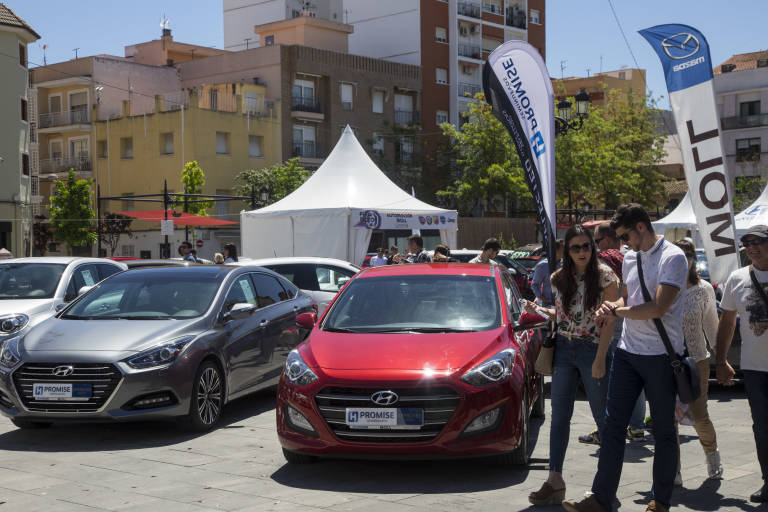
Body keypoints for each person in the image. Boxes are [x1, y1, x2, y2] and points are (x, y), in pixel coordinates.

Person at [562, 203, 688, 512]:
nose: (622, 244)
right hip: (628, 354)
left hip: (661, 356)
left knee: (663, 431)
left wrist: (617, 310)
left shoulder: (673, 257)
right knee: (612, 425)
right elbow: (630, 297)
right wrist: (612, 304)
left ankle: (661, 501)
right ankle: (601, 498)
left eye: (624, 236)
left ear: (641, 227)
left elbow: (657, 307)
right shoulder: (631, 257)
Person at [526, 225, 618, 507]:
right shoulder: (558, 278)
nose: (581, 252)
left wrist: (601, 357)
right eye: (575, 247)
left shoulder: (605, 277)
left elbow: (609, 321)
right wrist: (540, 311)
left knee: (604, 421)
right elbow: (565, 314)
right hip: (565, 349)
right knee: (559, 417)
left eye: (586, 246)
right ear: (567, 250)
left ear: (593, 247)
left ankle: (604, 490)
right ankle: (555, 481)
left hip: (592, 349)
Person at [579, 222, 647, 445]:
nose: (595, 247)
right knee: (635, 380)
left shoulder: (605, 260)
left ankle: (608, 428)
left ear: (607, 240)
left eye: (597, 242)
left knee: (606, 381)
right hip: (631, 327)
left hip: (609, 327)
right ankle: (636, 427)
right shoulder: (631, 258)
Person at [716, 225, 768, 503]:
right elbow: (727, 322)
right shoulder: (737, 278)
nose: (752, 246)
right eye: (747, 242)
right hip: (755, 368)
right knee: (761, 428)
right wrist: (721, 360)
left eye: (758, 241)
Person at [672, 239, 722, 483]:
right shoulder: (664, 288)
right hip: (666, 361)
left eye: (689, 254)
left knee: (699, 415)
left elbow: (713, 327)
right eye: (680, 254)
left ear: (693, 260)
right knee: (667, 419)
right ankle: (674, 469)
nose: (685, 258)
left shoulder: (703, 289)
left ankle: (712, 454)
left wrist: (721, 359)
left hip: (697, 361)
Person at [532, 239, 564, 307]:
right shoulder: (542, 266)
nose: (566, 251)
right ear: (556, 250)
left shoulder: (565, 264)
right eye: (563, 249)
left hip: (563, 305)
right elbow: (535, 285)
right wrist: (541, 298)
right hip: (548, 305)